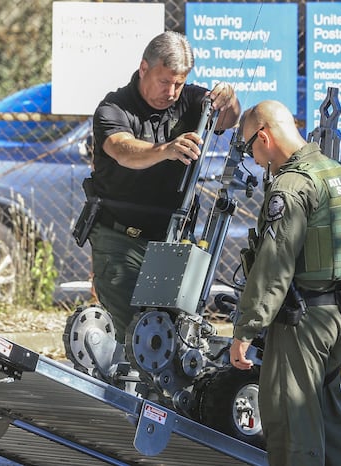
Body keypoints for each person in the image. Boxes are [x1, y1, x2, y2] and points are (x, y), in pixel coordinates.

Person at [229, 100, 341, 466]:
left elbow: (273, 265)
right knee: (331, 416)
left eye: (251, 148)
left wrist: (246, 330)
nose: (255, 158)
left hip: (302, 322)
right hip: (338, 317)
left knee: (292, 422)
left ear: (264, 136)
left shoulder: (292, 185)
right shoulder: (339, 173)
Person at [86, 31, 241, 345]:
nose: (171, 92)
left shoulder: (193, 100)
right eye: (164, 81)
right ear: (144, 68)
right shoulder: (114, 107)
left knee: (171, 335)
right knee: (138, 336)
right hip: (120, 237)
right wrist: (166, 149)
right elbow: (122, 149)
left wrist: (229, 100)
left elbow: (228, 119)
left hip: (171, 238)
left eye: (179, 83)